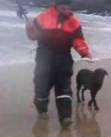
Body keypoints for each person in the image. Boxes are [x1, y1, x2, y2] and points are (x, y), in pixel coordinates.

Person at [26, 0, 92, 128]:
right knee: (41, 86)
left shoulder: (74, 22)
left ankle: (65, 117)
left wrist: (84, 52)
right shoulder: (43, 17)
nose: (67, 9)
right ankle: (41, 108)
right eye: (63, 7)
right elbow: (33, 36)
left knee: (64, 87)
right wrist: (29, 29)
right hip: (44, 56)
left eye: (68, 7)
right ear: (56, 5)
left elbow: (78, 39)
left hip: (64, 57)